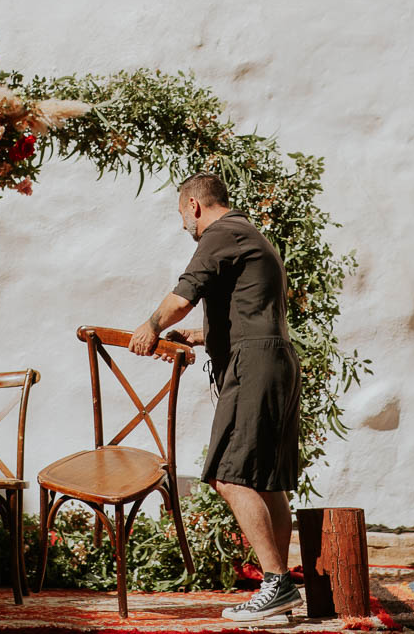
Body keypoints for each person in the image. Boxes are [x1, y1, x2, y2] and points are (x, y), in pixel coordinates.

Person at [128, 173, 303, 622]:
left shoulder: (220, 233)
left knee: (230, 474)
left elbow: (184, 295)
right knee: (267, 480)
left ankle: (275, 584)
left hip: (255, 365)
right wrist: (204, 336)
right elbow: (251, 312)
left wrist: (152, 326)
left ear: (193, 205)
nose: (184, 222)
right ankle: (280, 589)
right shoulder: (249, 233)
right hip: (276, 357)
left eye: (182, 214)